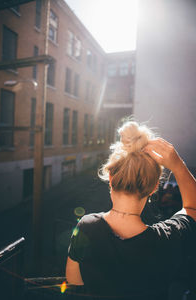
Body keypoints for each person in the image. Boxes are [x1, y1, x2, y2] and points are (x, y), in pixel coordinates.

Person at [65, 121, 196, 299]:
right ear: (154, 187)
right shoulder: (168, 239)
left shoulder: (86, 226)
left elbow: (74, 284)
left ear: (110, 178)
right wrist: (178, 165)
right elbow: (192, 207)